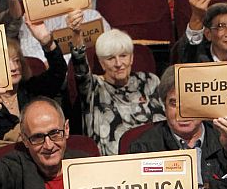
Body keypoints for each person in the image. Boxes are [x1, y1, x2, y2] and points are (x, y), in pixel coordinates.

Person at [69, 21, 165, 155]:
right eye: (110, 58)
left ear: (131, 58)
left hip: (153, 160)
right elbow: (80, 64)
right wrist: (77, 34)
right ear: (102, 63)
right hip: (110, 166)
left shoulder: (150, 81)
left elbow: (163, 125)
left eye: (123, 56)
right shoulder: (93, 88)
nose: (118, 63)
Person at [0, 30, 67, 146]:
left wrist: (47, 43)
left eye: (16, 61)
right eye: (6, 63)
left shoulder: (32, 88)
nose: (14, 67)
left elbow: (58, 71)